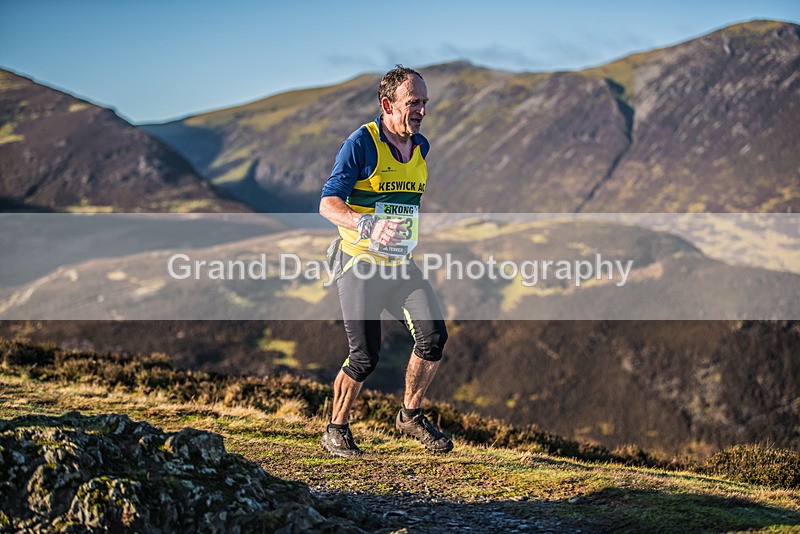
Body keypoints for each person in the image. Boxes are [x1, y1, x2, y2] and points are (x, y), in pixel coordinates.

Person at [318, 65, 453, 457]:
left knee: (434, 337)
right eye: (413, 103)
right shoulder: (361, 144)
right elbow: (327, 204)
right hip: (359, 263)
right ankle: (335, 428)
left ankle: (410, 415)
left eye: (424, 103)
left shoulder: (421, 146)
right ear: (387, 104)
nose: (421, 111)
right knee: (364, 356)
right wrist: (367, 225)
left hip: (400, 265)